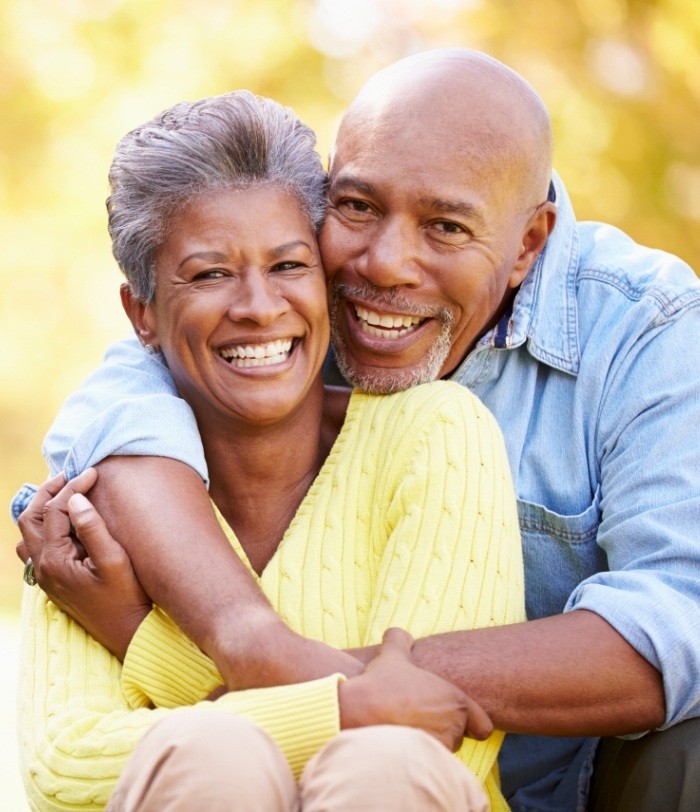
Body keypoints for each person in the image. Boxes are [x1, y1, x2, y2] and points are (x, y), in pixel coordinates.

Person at [15, 47, 700, 810]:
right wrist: (309, 681)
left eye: (444, 227)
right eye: (358, 208)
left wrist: (172, 641)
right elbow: (123, 400)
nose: (382, 265)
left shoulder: (643, 329)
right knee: (219, 765)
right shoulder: (223, 349)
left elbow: (677, 622)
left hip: (574, 779)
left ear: (528, 245)